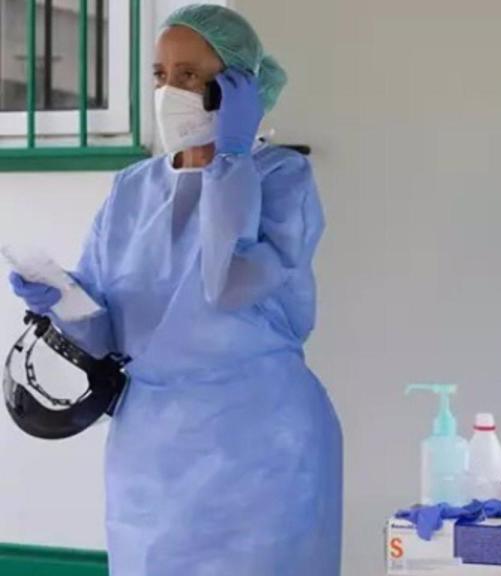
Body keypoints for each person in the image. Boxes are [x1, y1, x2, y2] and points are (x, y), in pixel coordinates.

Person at [9, 5, 341, 575]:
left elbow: (229, 281)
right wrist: (61, 298)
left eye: (190, 75)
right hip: (152, 458)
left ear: (237, 87)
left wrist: (231, 160)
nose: (170, 90)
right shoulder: (133, 188)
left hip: (260, 451)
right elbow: (109, 328)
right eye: (161, 75)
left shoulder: (281, 179)